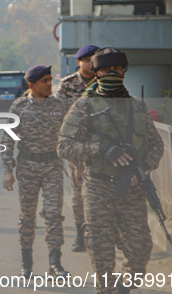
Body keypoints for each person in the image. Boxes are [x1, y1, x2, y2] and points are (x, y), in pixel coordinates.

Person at [58, 48, 164, 294]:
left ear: (125, 71)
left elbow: (156, 146)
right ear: (97, 73)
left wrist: (142, 167)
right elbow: (64, 146)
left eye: (118, 68)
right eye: (106, 70)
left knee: (140, 252)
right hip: (99, 188)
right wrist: (100, 149)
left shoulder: (137, 107)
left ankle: (123, 290)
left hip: (131, 190)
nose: (112, 74)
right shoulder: (84, 107)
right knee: (102, 255)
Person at [1, 65, 69, 280]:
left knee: (53, 214)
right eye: (45, 81)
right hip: (28, 167)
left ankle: (55, 263)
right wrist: (7, 170)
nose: (50, 84)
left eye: (50, 80)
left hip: (53, 166)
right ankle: (26, 263)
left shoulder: (59, 105)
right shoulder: (18, 107)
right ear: (32, 85)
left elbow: (70, 135)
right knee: (28, 216)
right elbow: (7, 140)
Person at [56, 45, 99, 252]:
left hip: (102, 147)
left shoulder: (104, 82)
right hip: (77, 148)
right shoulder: (67, 84)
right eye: (87, 59)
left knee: (104, 190)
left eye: (94, 59)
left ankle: (103, 232)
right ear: (79, 62)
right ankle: (81, 234)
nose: (91, 63)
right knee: (79, 193)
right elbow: (59, 116)